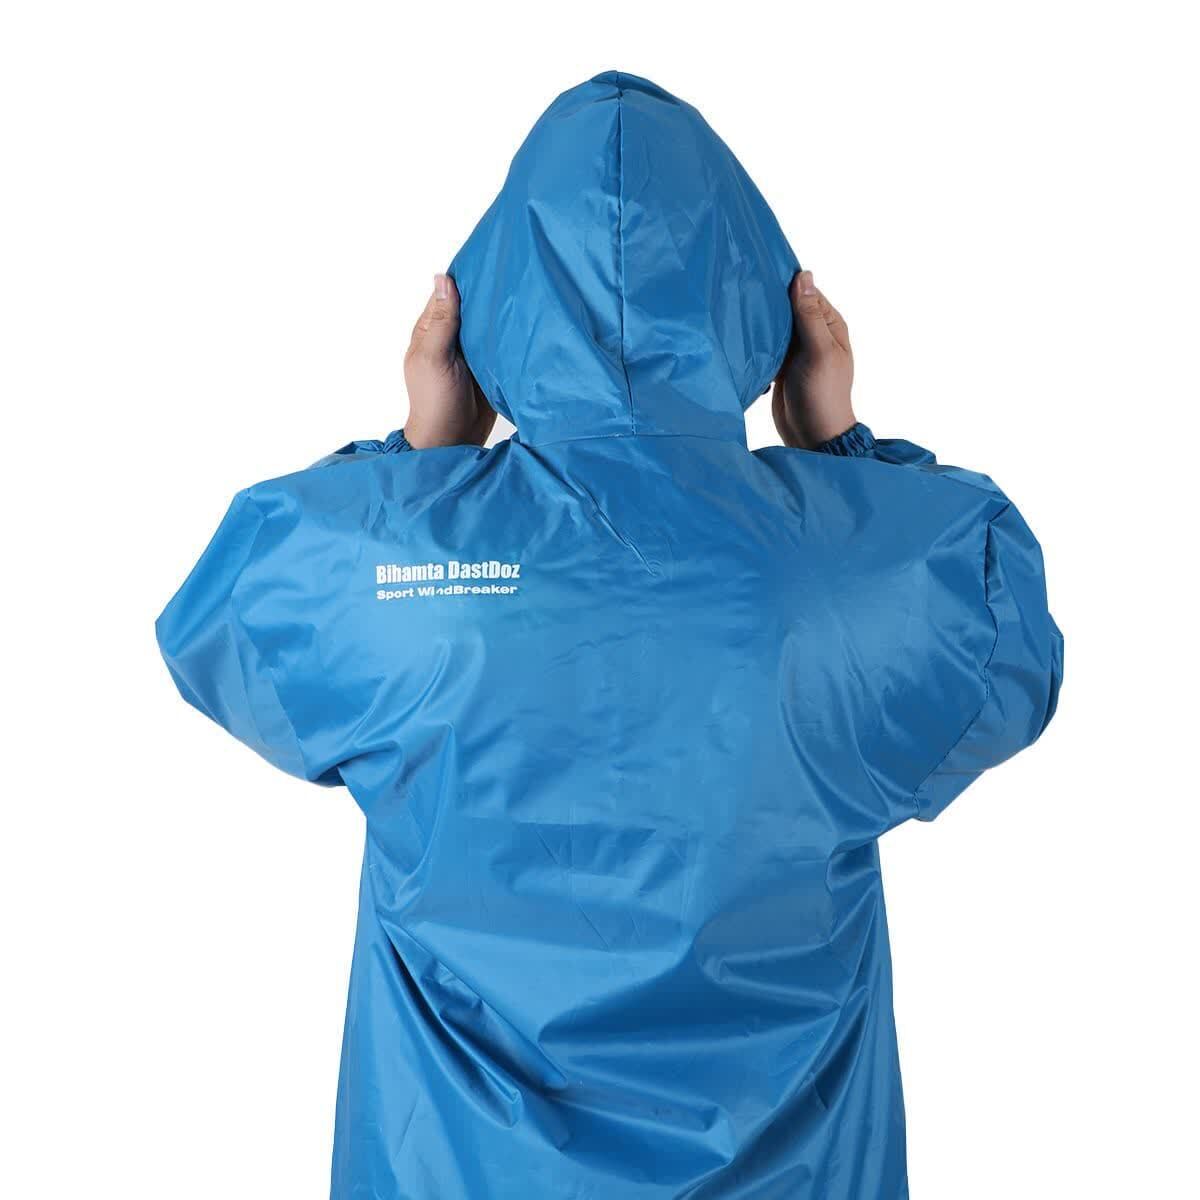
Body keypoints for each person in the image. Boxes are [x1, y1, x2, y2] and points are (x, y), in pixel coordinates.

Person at [157, 72, 1062, 1200]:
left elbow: (227, 617)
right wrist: (839, 449)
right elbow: (1007, 640)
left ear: (487, 309)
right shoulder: (849, 575)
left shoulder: (403, 569)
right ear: (765, 309)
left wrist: (421, 457)